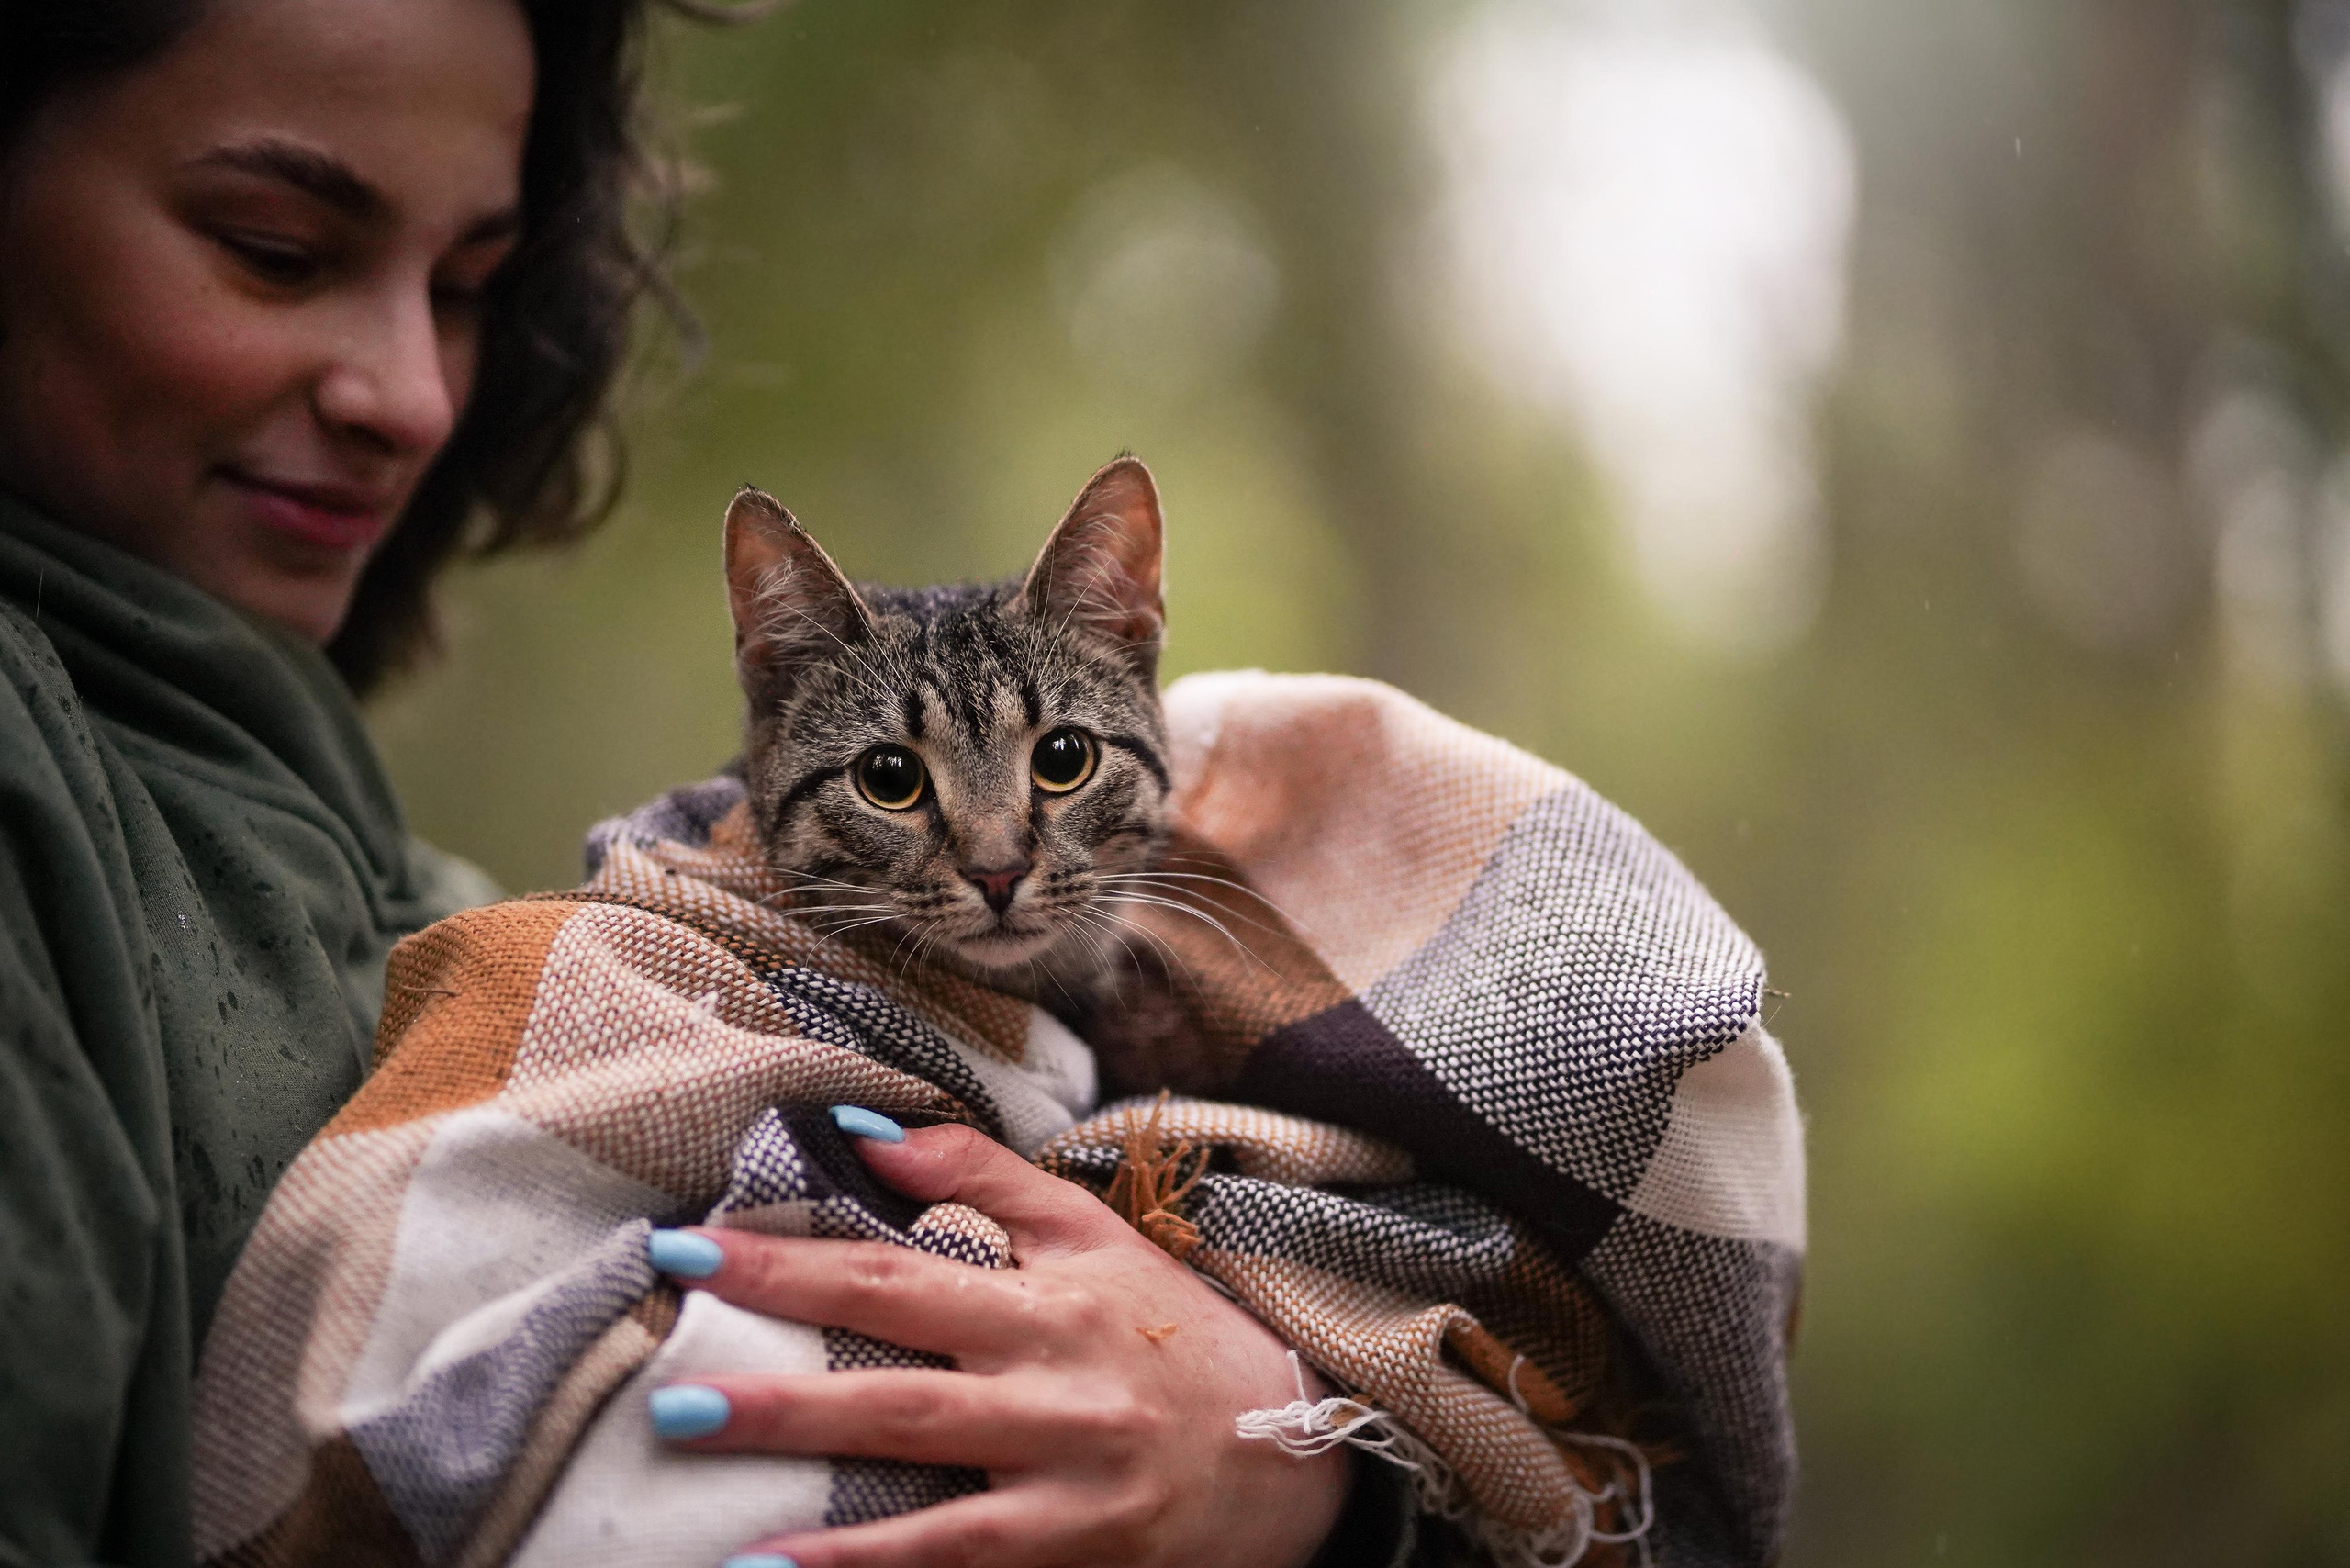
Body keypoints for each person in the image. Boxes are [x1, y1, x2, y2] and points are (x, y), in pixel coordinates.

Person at [0, 1, 1379, 1562]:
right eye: (274, 245)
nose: (416, 396)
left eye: (473, 290)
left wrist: (1288, 1447)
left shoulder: (427, 888)